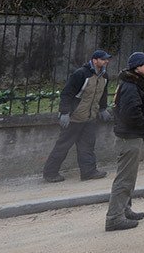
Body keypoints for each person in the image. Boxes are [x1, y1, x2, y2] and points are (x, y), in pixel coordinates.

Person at [42, 49, 113, 183]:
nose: (106, 62)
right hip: (74, 118)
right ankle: (50, 173)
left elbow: (103, 93)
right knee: (63, 146)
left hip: (90, 117)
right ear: (95, 60)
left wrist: (103, 108)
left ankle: (89, 172)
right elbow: (67, 93)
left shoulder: (104, 76)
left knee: (88, 146)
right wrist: (64, 113)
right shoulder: (81, 74)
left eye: (107, 59)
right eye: (103, 59)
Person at [105, 52, 144, 232]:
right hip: (129, 138)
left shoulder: (132, 84)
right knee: (124, 179)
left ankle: (125, 209)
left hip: (130, 136)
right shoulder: (131, 87)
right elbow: (131, 114)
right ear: (137, 66)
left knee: (129, 177)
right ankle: (114, 218)